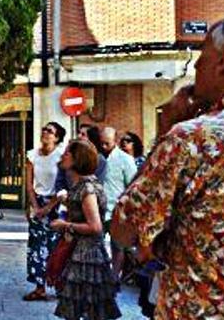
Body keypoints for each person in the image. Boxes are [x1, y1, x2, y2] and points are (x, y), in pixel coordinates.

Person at [112, 9, 224, 318]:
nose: (195, 65)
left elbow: (125, 229)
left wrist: (166, 132)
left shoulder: (193, 138)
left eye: (202, 54)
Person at [50, 139, 121, 320]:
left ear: (76, 160)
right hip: (81, 251)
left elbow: (95, 227)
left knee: (88, 308)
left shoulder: (87, 189)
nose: (63, 156)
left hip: (87, 255)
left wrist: (65, 225)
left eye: (67, 153)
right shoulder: (83, 185)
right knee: (85, 308)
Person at [22, 121, 67, 301]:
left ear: (56, 138)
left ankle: (58, 286)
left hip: (57, 204)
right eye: (44, 129)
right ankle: (39, 287)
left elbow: (64, 186)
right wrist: (35, 206)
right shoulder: (32, 156)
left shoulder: (61, 156)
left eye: (50, 131)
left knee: (56, 247)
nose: (45, 133)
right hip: (38, 202)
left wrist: (48, 207)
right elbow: (29, 184)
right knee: (36, 247)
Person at [99, 127, 137, 282]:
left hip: (116, 210)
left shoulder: (125, 160)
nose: (103, 147)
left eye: (107, 143)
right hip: (100, 210)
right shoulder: (97, 158)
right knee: (97, 245)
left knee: (118, 247)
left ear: (114, 141)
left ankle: (114, 278)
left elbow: (132, 186)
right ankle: (101, 275)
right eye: (101, 143)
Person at [53, 123, 107, 193]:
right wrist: (62, 193)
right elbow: (60, 181)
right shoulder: (69, 155)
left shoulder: (99, 160)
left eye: (83, 134)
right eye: (78, 133)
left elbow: (97, 183)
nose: (78, 136)